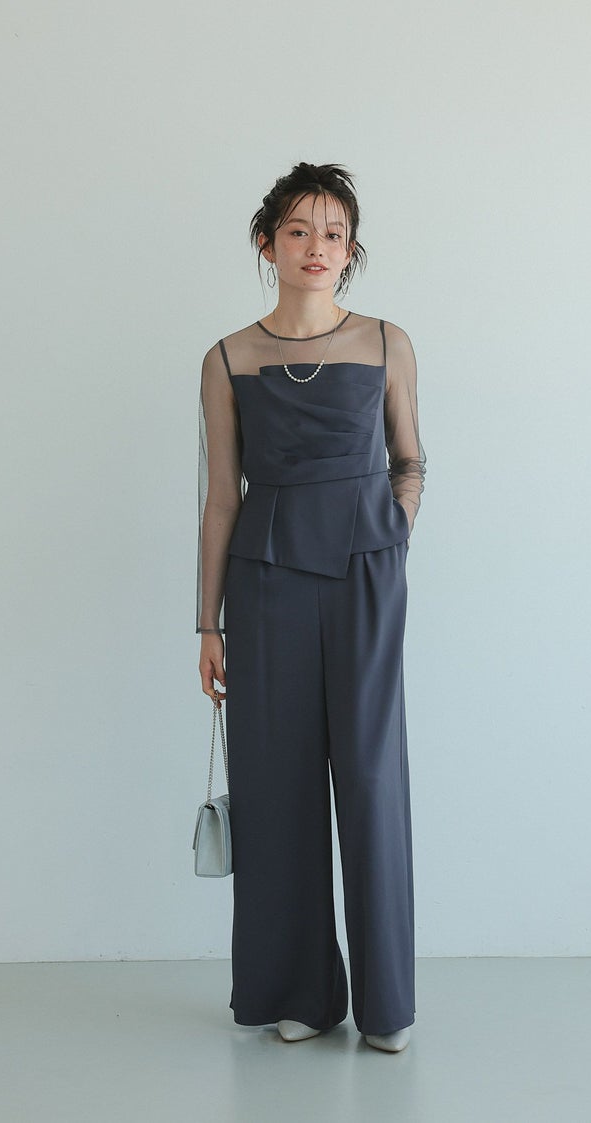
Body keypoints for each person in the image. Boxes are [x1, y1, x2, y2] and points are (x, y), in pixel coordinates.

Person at [196, 162, 425, 1053]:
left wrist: (388, 533)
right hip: (263, 580)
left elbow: (410, 460)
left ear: (350, 248)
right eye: (298, 231)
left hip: (365, 573)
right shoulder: (228, 358)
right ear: (268, 244)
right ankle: (299, 990)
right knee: (277, 783)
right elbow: (222, 495)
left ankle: (386, 1003)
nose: (316, 247)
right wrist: (207, 621)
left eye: (333, 233)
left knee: (369, 777)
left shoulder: (387, 341)